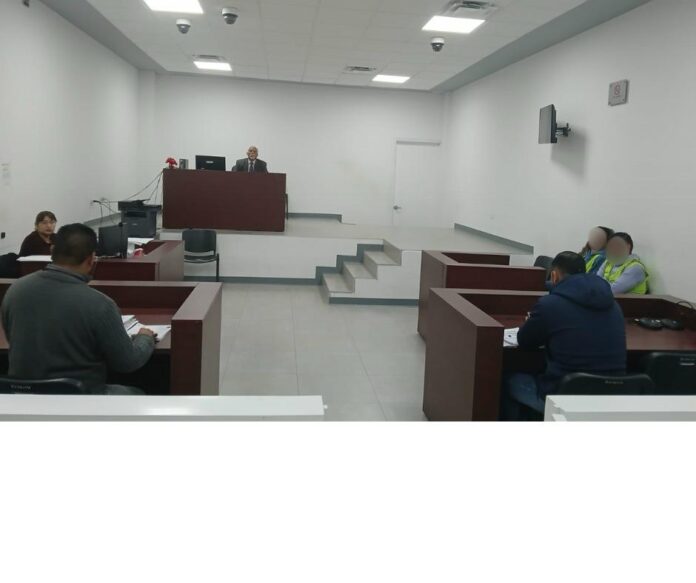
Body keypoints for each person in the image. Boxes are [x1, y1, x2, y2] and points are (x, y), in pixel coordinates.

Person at [1, 223, 156, 394]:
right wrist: (145, 337)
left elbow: (11, 337)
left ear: (52, 251)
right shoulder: (100, 304)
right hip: (80, 398)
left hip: (23, 396)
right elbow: (128, 362)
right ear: (91, 259)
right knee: (139, 394)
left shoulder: (15, 290)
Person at [501, 251, 627, 420]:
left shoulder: (549, 305)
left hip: (563, 398)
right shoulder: (614, 305)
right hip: (611, 398)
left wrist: (536, 322)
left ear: (554, 276)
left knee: (507, 379)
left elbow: (524, 341)